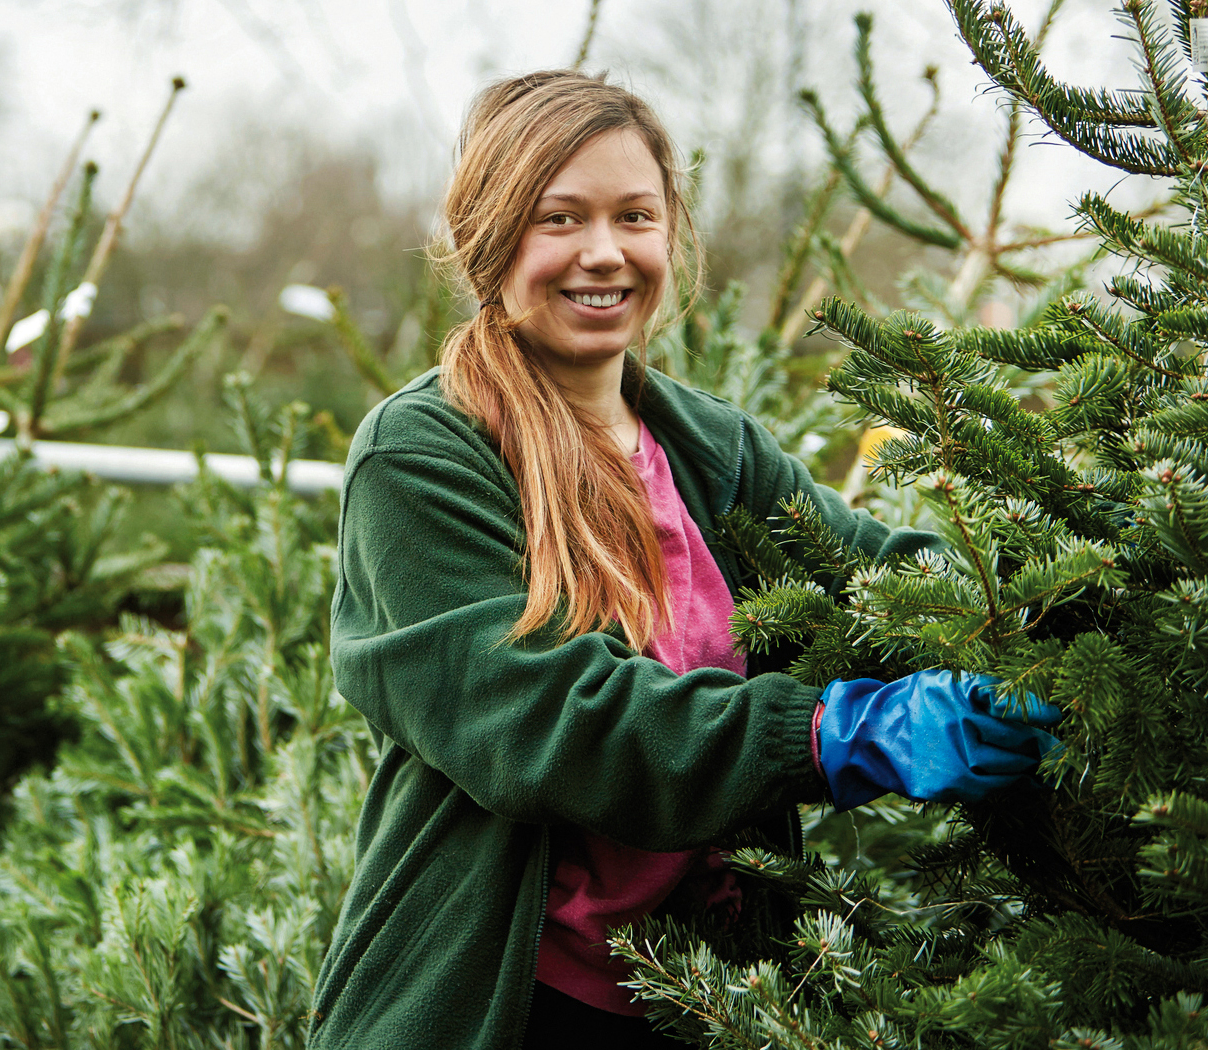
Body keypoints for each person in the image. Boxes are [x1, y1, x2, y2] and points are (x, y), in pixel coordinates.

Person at [308, 70, 1061, 1050]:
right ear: (489, 237)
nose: (605, 252)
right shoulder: (424, 452)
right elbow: (540, 718)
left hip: (711, 1001)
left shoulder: (709, 447)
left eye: (635, 215)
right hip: (517, 1007)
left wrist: (1080, 577)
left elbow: (876, 578)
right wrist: (833, 736)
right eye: (560, 219)